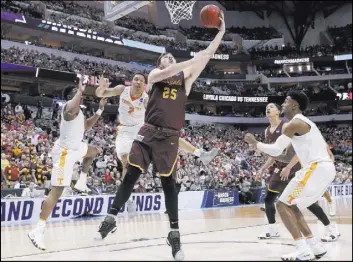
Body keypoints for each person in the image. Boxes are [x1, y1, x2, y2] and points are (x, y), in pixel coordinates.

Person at [95, 12, 226, 261]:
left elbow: (206, 56)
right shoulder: (154, 77)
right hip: (148, 131)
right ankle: (111, 218)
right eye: (165, 57)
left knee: (169, 186)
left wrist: (220, 33)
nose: (168, 59)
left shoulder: (185, 81)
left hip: (169, 137)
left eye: (171, 57)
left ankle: (174, 235)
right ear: (160, 63)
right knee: (130, 174)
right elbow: (178, 67)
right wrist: (189, 61)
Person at [95, 74, 219, 216]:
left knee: (169, 135)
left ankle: (200, 153)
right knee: (125, 161)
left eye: (142, 81)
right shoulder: (122, 89)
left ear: (145, 85)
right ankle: (127, 198)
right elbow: (101, 94)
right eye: (136, 79)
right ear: (132, 82)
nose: (138, 82)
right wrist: (101, 88)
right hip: (125, 131)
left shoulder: (147, 98)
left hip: (142, 128)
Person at [244, 91, 337, 260]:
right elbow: (283, 155)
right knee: (291, 205)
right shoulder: (303, 123)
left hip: (316, 167)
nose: (283, 104)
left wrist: (255, 143)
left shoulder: (295, 123)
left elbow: (277, 149)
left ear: (295, 105)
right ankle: (314, 247)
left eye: (286, 101)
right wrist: (260, 148)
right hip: (321, 168)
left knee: (281, 205)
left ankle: (302, 249)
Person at [28, 78, 107, 251]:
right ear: (71, 97)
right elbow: (72, 106)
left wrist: (100, 111)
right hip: (65, 153)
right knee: (57, 191)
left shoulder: (80, 113)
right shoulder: (68, 109)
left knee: (93, 151)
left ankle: (81, 182)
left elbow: (86, 126)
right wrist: (80, 90)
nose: (80, 98)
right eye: (76, 95)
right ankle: (38, 230)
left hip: (76, 148)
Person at [257, 103, 340, 242]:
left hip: (294, 167)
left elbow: (297, 151)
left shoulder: (286, 126)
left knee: (307, 202)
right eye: (267, 107)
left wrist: (289, 166)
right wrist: (263, 168)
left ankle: (330, 229)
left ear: (278, 111)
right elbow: (274, 154)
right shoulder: (267, 131)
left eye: (272, 106)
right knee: (269, 199)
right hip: (279, 169)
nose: (268, 108)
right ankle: (273, 230)